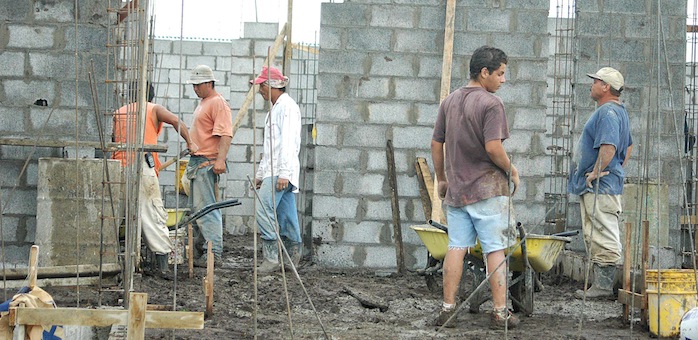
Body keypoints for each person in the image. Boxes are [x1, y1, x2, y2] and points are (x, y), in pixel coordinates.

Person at [431, 46, 520, 329]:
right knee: (495, 249)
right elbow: (494, 148)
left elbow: (436, 143)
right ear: (485, 72)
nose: (503, 80)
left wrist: (442, 178)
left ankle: (447, 309)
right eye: (501, 73)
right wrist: (512, 170)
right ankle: (500, 313)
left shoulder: (450, 101)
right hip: (487, 190)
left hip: (457, 191)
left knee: (456, 247)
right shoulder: (491, 104)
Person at [112, 82, 197, 278]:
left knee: (118, 215)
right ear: (150, 96)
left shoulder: (119, 112)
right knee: (152, 215)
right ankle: (163, 265)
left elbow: (114, 141)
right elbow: (178, 122)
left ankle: (114, 260)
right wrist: (190, 142)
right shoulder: (153, 108)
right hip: (141, 168)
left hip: (118, 168)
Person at [569, 67, 633, 299]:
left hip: (601, 186)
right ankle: (600, 285)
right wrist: (614, 168)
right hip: (604, 184)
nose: (591, 85)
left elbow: (609, 147)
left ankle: (604, 287)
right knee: (597, 231)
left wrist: (597, 171)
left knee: (603, 232)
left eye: (595, 81)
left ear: (606, 86)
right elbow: (629, 147)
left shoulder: (607, 112)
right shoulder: (617, 111)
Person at [250, 66, 302, 273]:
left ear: (272, 85)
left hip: (281, 171)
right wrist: (261, 173)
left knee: (263, 210)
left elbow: (289, 143)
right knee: (287, 215)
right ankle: (291, 259)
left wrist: (284, 174)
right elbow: (270, 147)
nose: (260, 90)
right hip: (276, 170)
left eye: (262, 86)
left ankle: (271, 258)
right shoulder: (276, 108)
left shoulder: (286, 107)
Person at [185, 65, 233, 267]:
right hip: (197, 162)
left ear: (208, 83)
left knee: (207, 210)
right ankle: (201, 248)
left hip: (207, 163)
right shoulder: (204, 102)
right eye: (193, 86)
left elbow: (225, 133)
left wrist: (220, 160)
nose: (195, 89)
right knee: (197, 210)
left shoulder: (217, 103)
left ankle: (214, 253)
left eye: (198, 85)